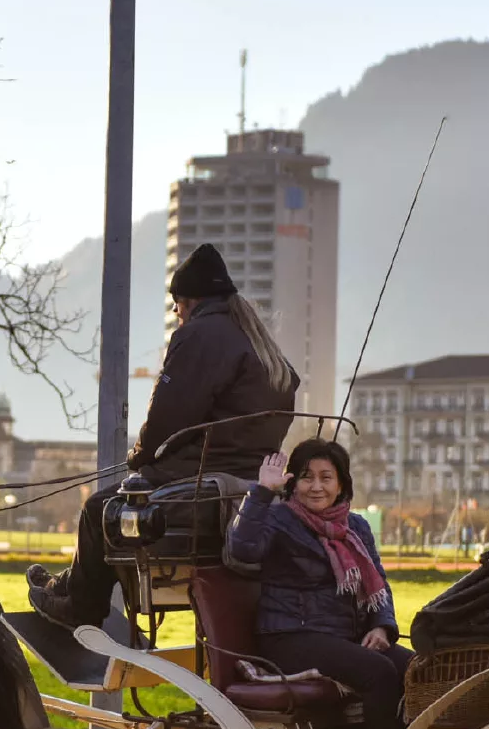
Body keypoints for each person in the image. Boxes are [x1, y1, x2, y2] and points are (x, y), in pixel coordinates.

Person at [27, 242, 300, 627]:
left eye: (177, 304)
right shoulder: (260, 344)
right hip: (244, 487)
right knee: (106, 506)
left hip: (200, 486)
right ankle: (67, 585)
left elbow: (167, 417)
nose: (175, 313)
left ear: (190, 301)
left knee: (97, 510)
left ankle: (80, 608)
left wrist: (139, 456)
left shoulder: (198, 335)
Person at [223, 438, 409, 729]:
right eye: (307, 477)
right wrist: (262, 492)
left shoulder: (356, 526)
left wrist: (381, 626)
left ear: (341, 484)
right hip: (291, 636)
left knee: (416, 669)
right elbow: (241, 549)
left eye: (326, 477)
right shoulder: (280, 518)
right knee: (378, 672)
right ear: (293, 482)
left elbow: (378, 582)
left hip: (344, 636)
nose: (316, 486)